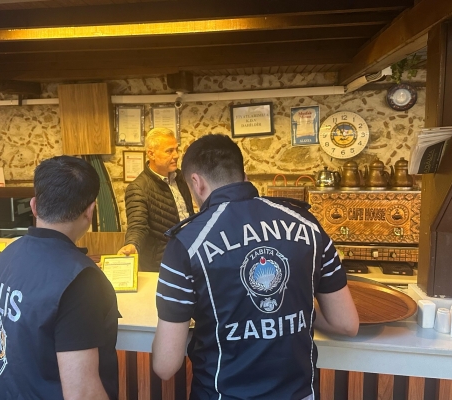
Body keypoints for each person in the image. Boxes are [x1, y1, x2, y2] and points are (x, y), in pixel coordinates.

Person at [152, 134, 359, 400]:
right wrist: (291, 308)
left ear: (196, 182)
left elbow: (165, 365)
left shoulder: (187, 242)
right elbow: (346, 324)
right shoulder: (307, 224)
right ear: (244, 175)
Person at [0, 156, 119, 400]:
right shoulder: (81, 281)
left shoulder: (7, 254)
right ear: (90, 211)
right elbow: (82, 394)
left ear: (34, 206)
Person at [117, 127, 194, 271]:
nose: (176, 155)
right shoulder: (138, 188)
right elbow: (138, 226)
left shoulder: (181, 178)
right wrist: (132, 244)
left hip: (187, 258)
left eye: (176, 149)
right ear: (151, 154)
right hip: (160, 266)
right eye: (169, 151)